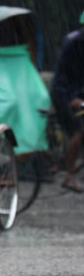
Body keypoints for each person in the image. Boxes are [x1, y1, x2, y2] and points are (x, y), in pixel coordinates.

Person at [50, 11, 84, 193]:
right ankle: (68, 175)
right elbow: (61, 74)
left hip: (79, 94)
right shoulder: (73, 41)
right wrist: (72, 98)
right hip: (63, 94)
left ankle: (63, 161)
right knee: (79, 129)